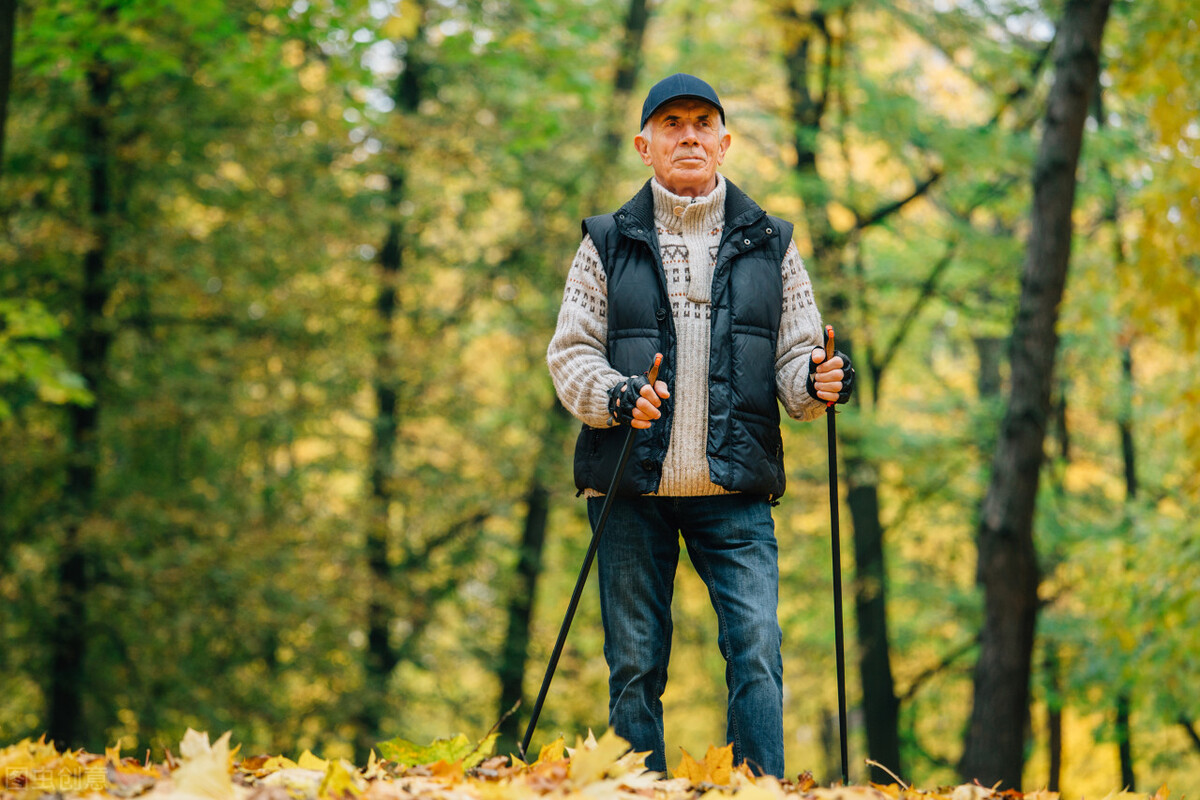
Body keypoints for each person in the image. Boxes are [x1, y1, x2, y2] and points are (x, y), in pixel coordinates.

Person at [546, 73, 854, 778]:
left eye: (701, 124)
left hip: (736, 488)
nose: (688, 135)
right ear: (644, 145)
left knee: (757, 651)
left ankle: (759, 791)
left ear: (724, 142)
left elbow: (798, 360)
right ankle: (637, 792)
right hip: (629, 487)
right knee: (633, 666)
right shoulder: (604, 242)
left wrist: (817, 380)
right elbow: (569, 356)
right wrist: (619, 398)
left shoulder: (773, 242)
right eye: (672, 124)